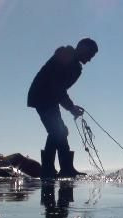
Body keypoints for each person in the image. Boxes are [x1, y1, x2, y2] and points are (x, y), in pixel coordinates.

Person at [27, 38, 99, 179]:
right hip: (41, 97)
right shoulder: (66, 56)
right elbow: (56, 86)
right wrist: (71, 108)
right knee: (58, 131)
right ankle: (53, 170)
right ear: (83, 48)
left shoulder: (76, 68)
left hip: (50, 99)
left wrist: (72, 107)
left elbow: (60, 90)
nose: (90, 59)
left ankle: (62, 168)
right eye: (90, 55)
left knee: (59, 131)